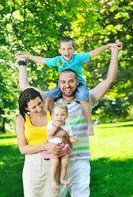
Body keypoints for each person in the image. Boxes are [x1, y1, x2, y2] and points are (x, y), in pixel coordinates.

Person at [16, 41, 122, 197]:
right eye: (63, 82)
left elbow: (109, 80)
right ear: (58, 84)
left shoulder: (87, 99)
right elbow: (25, 88)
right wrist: (22, 62)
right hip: (56, 161)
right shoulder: (50, 103)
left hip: (79, 161)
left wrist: (114, 52)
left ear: (77, 82)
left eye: (71, 81)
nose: (67, 85)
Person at [16, 37, 117, 136]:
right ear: (59, 50)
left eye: (71, 81)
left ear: (74, 49)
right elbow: (27, 82)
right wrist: (25, 59)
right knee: (50, 95)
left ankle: (90, 124)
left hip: (81, 89)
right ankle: (50, 124)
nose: (67, 85)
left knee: (82, 95)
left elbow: (108, 77)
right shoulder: (57, 61)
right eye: (64, 49)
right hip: (58, 149)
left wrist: (111, 48)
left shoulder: (86, 97)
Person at [16, 88, 60, 197]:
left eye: (40, 103)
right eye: (34, 107)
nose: (39, 109)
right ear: (26, 107)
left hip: (52, 165)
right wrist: (45, 146)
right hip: (32, 166)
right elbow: (22, 149)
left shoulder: (52, 114)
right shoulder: (21, 119)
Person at [42, 103, 78, 190]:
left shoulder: (67, 125)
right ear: (52, 116)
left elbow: (70, 137)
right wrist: (56, 126)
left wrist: (73, 139)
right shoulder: (51, 123)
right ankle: (53, 180)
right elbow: (49, 135)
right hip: (53, 147)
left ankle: (62, 179)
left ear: (67, 115)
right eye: (57, 115)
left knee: (65, 163)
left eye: (62, 115)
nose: (59, 117)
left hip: (63, 146)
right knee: (55, 163)